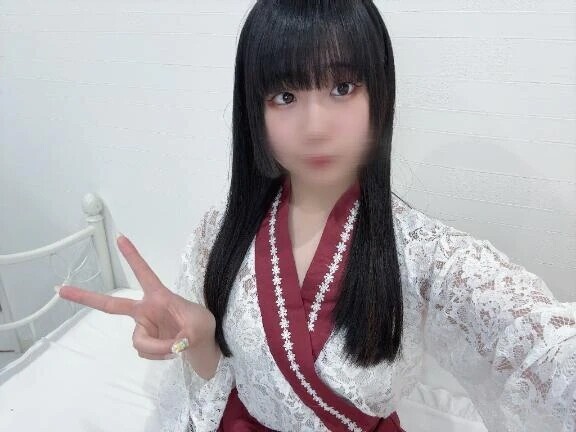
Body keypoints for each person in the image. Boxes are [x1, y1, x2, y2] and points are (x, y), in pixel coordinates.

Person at [56, 1, 576, 431]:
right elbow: (221, 381)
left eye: (342, 87)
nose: (315, 126)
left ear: (379, 94)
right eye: (285, 96)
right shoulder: (219, 234)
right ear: (254, 111)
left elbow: (542, 347)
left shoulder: (425, 254)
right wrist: (203, 337)